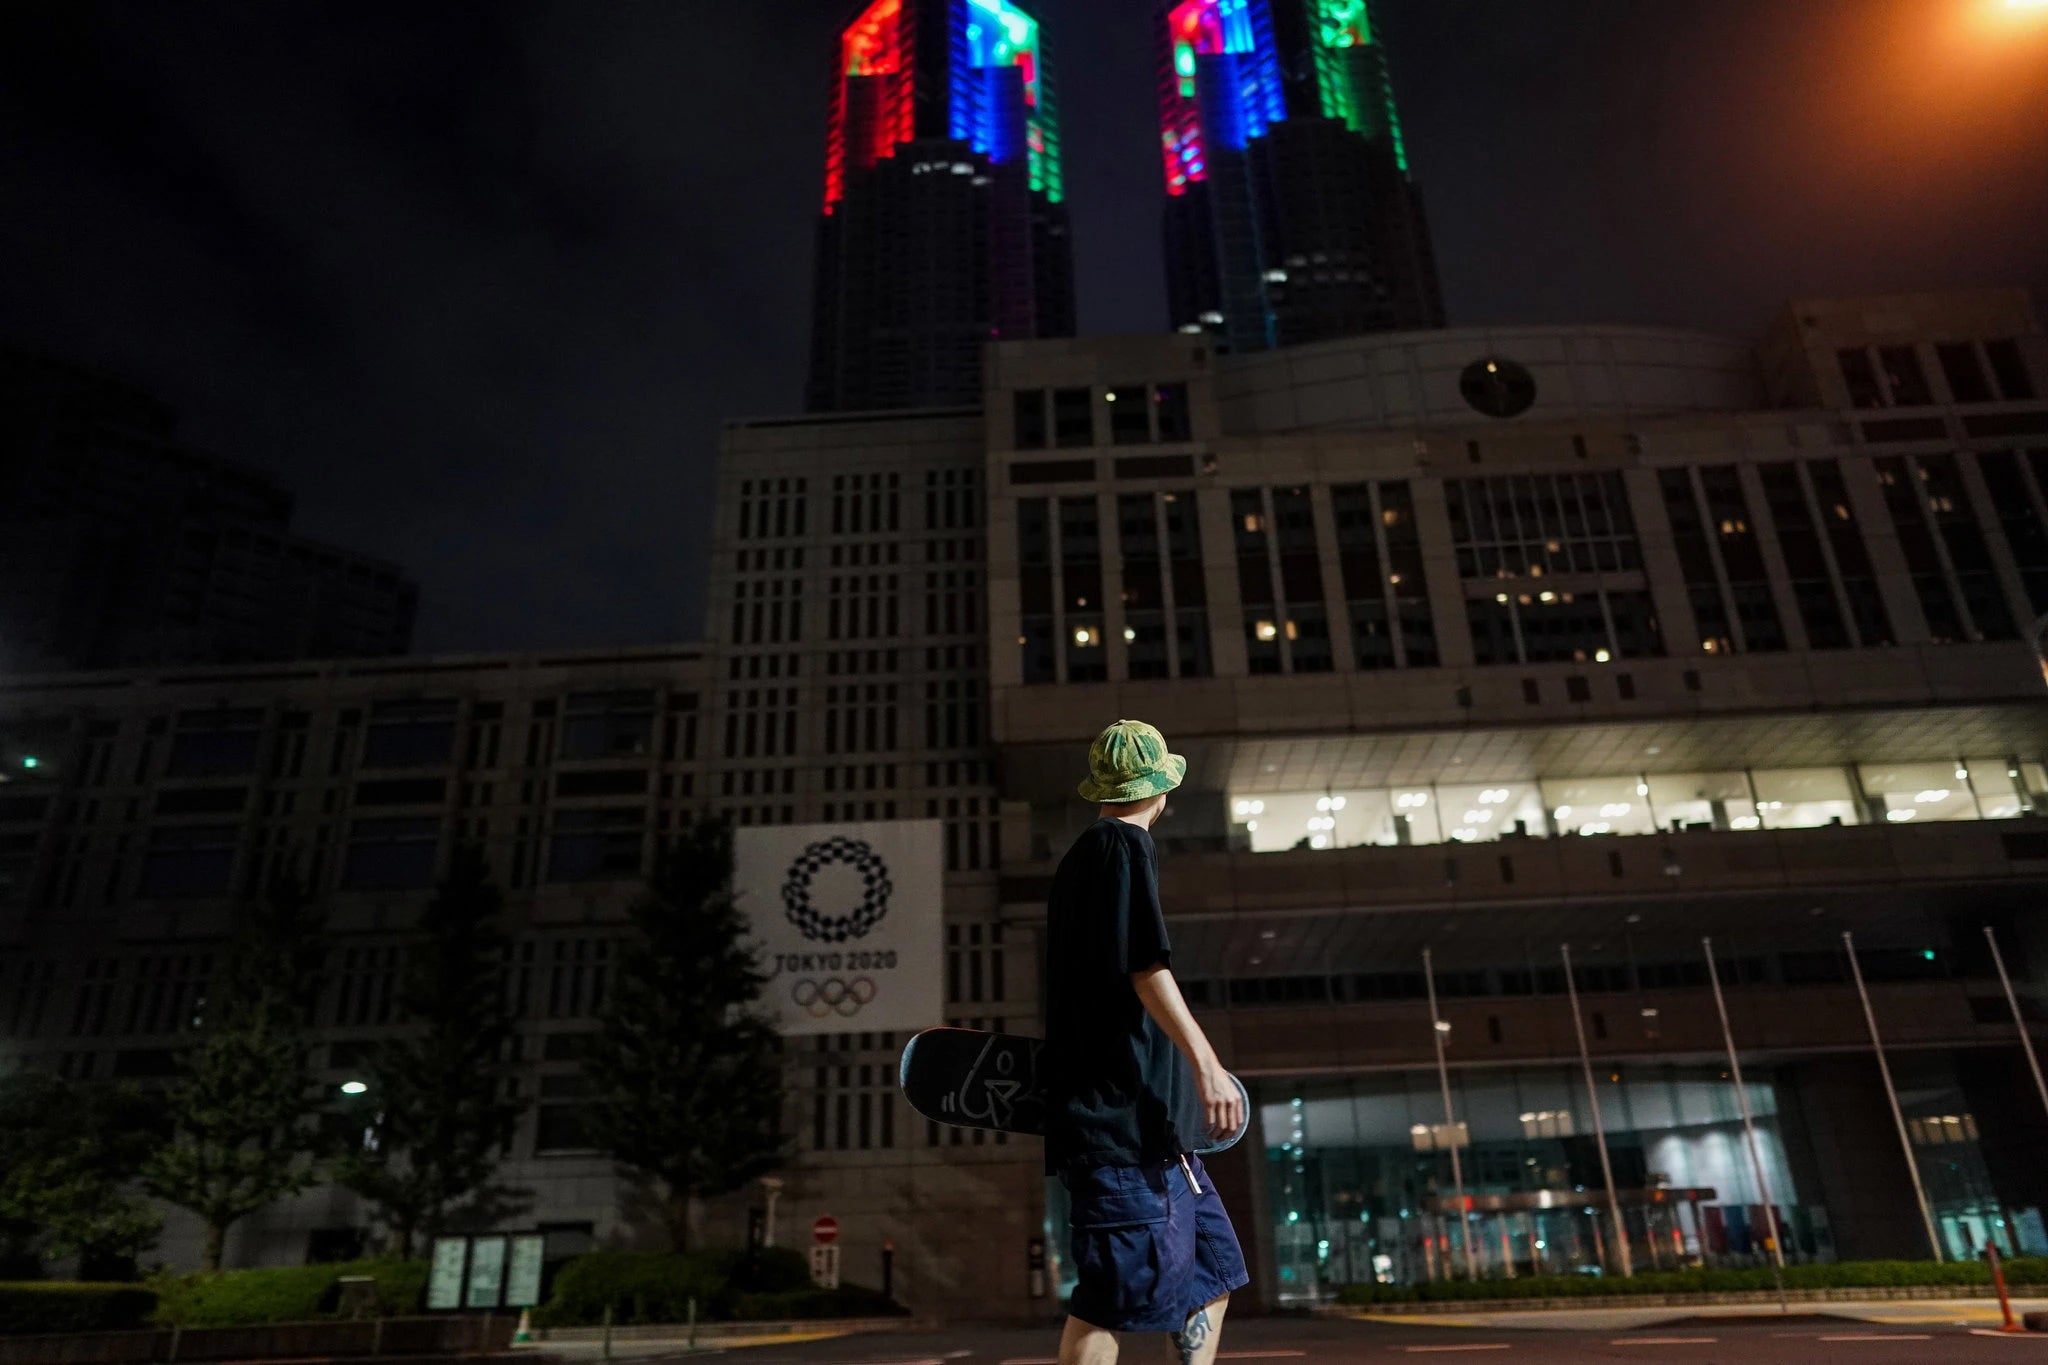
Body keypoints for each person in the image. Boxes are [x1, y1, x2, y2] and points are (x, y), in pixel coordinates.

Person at [1044, 719, 1249, 1365]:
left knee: (1211, 1276)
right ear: (1161, 789)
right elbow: (1146, 966)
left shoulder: (1085, 856)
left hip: (1158, 1137)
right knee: (1108, 1299)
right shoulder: (1121, 847)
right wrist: (1207, 1065)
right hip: (1118, 1131)